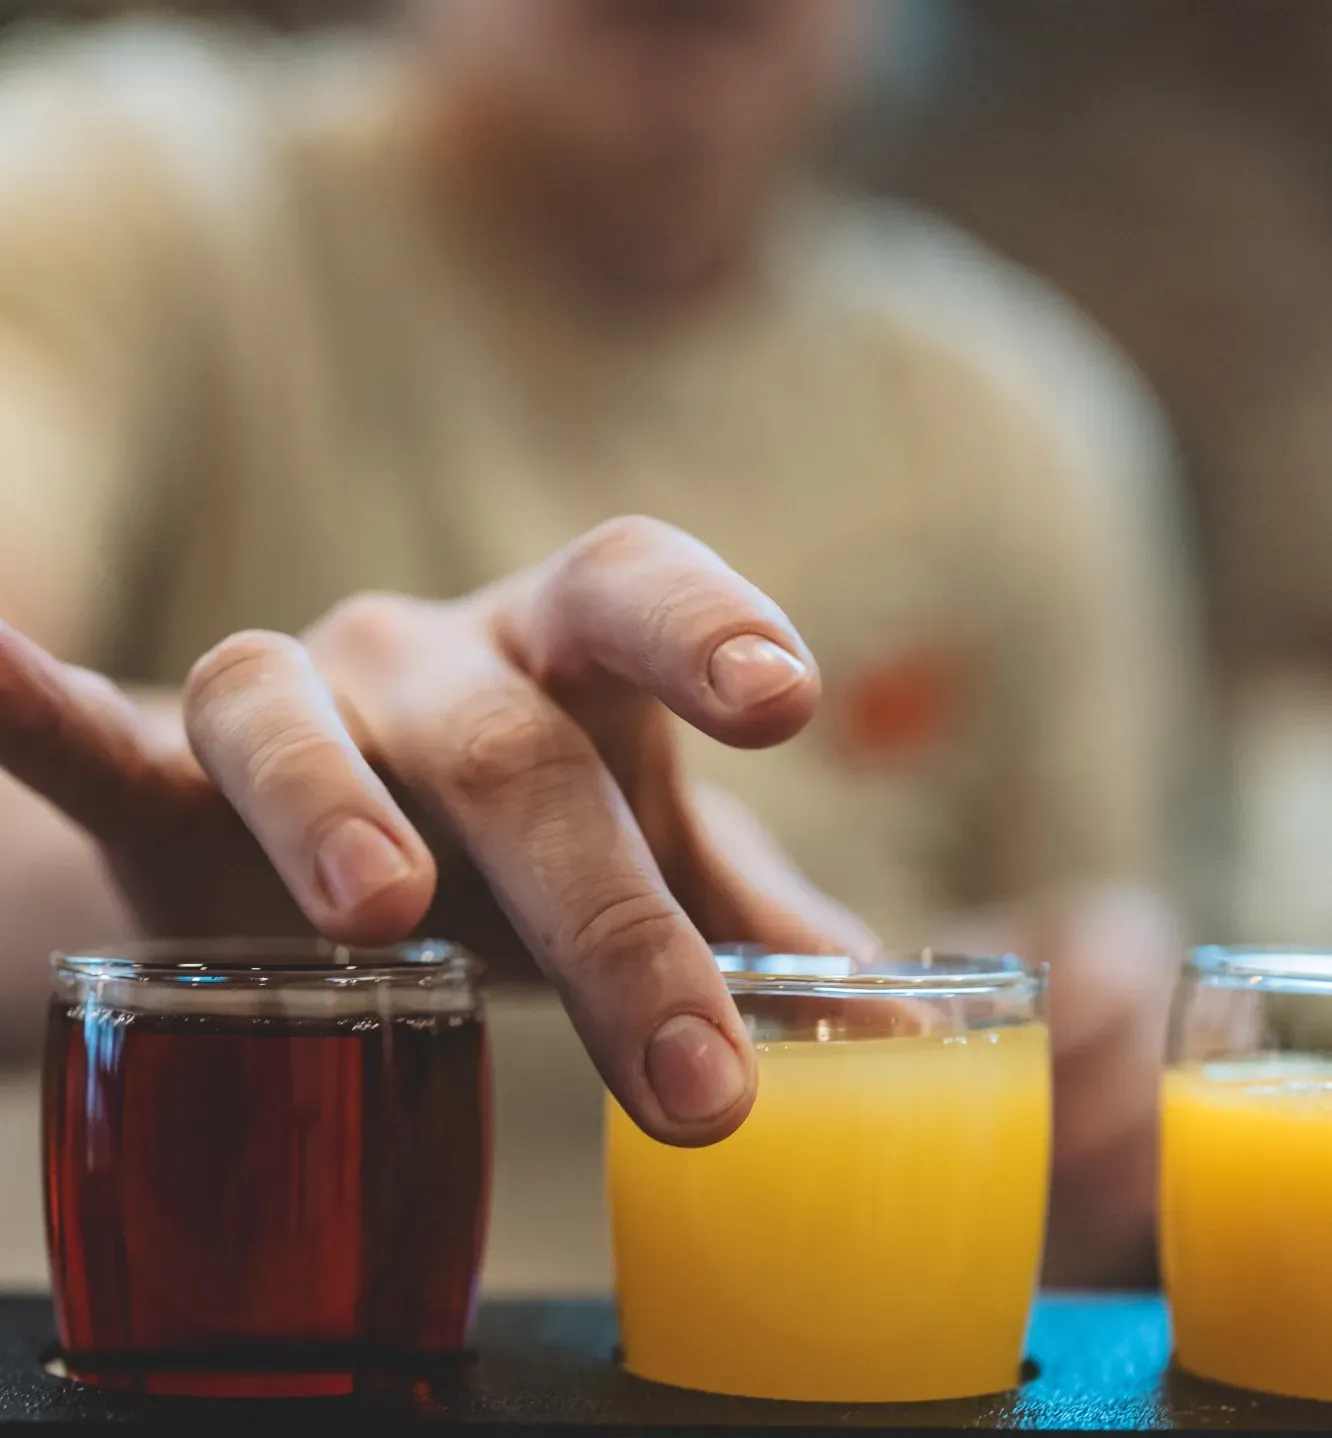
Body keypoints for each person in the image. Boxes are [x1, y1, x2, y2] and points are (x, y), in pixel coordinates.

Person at [0, 0, 1201, 1284]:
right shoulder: (123, 200)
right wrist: (246, 837)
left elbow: (1102, 1062)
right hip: (179, 1377)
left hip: (805, 1382)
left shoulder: (1019, 423)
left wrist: (1114, 1065)